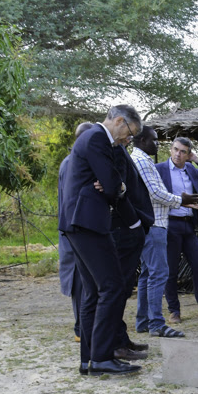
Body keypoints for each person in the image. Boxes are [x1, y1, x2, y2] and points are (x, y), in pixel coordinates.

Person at [58, 105, 143, 376]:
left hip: (80, 222)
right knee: (112, 286)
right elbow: (110, 184)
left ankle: (89, 360)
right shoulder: (96, 138)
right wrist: (115, 186)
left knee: (93, 291)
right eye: (130, 132)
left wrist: (113, 185)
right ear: (119, 122)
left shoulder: (93, 139)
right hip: (88, 223)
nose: (128, 139)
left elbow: (110, 183)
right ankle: (103, 358)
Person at [131, 127, 198, 338]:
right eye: (154, 140)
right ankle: (157, 324)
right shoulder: (141, 161)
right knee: (159, 273)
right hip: (154, 224)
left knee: (147, 275)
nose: (157, 144)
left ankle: (143, 321)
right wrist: (182, 200)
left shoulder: (143, 160)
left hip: (151, 223)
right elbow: (156, 193)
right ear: (141, 140)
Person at [154, 137, 198, 323]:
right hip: (170, 223)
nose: (178, 154)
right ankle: (174, 311)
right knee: (171, 269)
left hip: (189, 224)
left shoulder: (191, 169)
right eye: (176, 149)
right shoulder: (160, 169)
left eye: (183, 151)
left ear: (188, 154)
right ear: (171, 150)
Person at [108, 136, 153, 361]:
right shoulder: (112, 150)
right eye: (129, 130)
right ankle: (115, 344)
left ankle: (122, 338)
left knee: (124, 289)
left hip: (131, 227)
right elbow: (116, 189)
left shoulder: (120, 149)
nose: (130, 136)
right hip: (123, 227)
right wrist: (134, 222)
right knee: (118, 289)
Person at [58, 121, 94, 341]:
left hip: (76, 228)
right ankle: (81, 330)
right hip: (74, 229)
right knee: (79, 281)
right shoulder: (72, 163)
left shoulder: (75, 161)